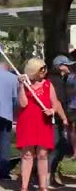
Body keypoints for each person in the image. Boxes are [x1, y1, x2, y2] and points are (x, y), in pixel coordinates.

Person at [16, 58, 67, 191]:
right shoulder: (24, 84)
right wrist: (21, 86)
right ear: (33, 71)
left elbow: (55, 103)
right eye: (41, 69)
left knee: (43, 154)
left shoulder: (48, 84)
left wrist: (52, 110)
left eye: (44, 68)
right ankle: (24, 186)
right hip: (27, 122)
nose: (44, 71)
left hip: (43, 121)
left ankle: (42, 186)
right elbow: (23, 104)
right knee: (27, 154)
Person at [46, 55, 72, 188]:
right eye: (67, 65)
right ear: (60, 66)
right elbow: (58, 103)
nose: (69, 67)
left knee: (59, 147)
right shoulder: (56, 81)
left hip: (55, 119)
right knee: (56, 148)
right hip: (55, 119)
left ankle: (49, 176)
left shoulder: (59, 79)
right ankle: (47, 178)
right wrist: (64, 118)